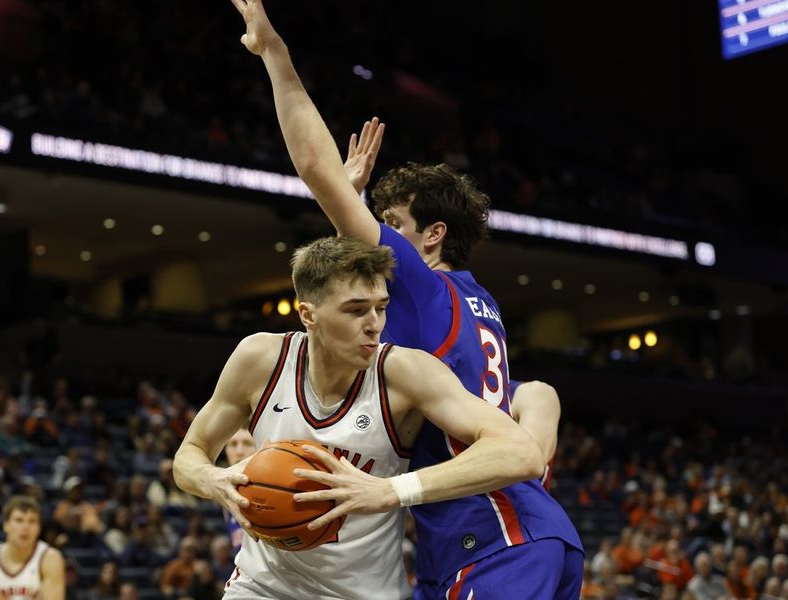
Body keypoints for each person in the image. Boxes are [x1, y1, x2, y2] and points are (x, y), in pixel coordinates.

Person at [230, 1, 584, 598]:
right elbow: (530, 404)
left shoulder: (422, 286)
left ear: (432, 236)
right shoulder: (478, 305)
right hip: (512, 535)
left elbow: (315, 166)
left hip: (492, 536)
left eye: (391, 224)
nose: (378, 234)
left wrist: (277, 58)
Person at [173, 235, 547, 599]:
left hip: (366, 592)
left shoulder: (405, 372)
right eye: (355, 310)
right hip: (262, 585)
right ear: (308, 315)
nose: (374, 323)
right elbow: (191, 452)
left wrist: (391, 491)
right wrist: (213, 480)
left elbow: (522, 454)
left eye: (381, 307)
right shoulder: (260, 359)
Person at [0, 495, 65, 600]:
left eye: (32, 521)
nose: (25, 527)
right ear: (6, 525)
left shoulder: (49, 559)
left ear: (39, 528)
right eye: (19, 520)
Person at [222, 428, 256, 555]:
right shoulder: (224, 492)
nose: (239, 451)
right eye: (233, 444)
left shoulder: (276, 488)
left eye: (247, 443)